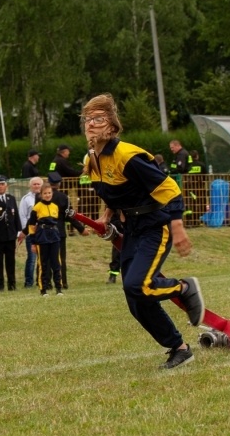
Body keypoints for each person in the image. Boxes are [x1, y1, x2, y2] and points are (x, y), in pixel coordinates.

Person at [81, 94, 204, 370]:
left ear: (112, 126)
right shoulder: (91, 160)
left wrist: (179, 228)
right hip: (132, 229)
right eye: (87, 119)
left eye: (98, 119)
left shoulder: (128, 156)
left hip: (155, 226)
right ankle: (180, 348)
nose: (91, 124)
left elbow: (170, 190)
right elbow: (110, 194)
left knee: (138, 285)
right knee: (135, 300)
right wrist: (105, 217)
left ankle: (184, 287)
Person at [47, 171, 90, 289]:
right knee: (61, 258)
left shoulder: (42, 196)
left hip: (45, 232)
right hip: (59, 231)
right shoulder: (64, 197)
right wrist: (81, 229)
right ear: (59, 183)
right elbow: (70, 216)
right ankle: (62, 282)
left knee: (47, 258)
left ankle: (47, 283)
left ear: (49, 183)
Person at [0, 174, 24, 291]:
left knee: (10, 261)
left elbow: (15, 216)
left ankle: (12, 284)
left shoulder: (10, 199)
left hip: (10, 235)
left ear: (6, 186)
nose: (0, 187)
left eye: (2, 184)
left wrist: (19, 232)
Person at [25, 183, 63, 296]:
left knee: (56, 262)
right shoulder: (37, 207)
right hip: (42, 236)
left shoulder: (55, 207)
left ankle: (59, 288)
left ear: (52, 193)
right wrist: (33, 242)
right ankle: (43, 289)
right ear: (41, 194)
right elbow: (31, 225)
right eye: (45, 193)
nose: (47, 195)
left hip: (54, 236)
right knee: (43, 263)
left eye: (49, 193)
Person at [19, 176, 43, 288]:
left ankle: (41, 280)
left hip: (43, 233)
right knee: (32, 259)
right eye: (34, 184)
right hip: (31, 233)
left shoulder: (46, 197)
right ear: (30, 185)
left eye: (38, 184)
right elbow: (23, 216)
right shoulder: (26, 199)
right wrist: (27, 231)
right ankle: (28, 282)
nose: (37, 186)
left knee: (42, 258)